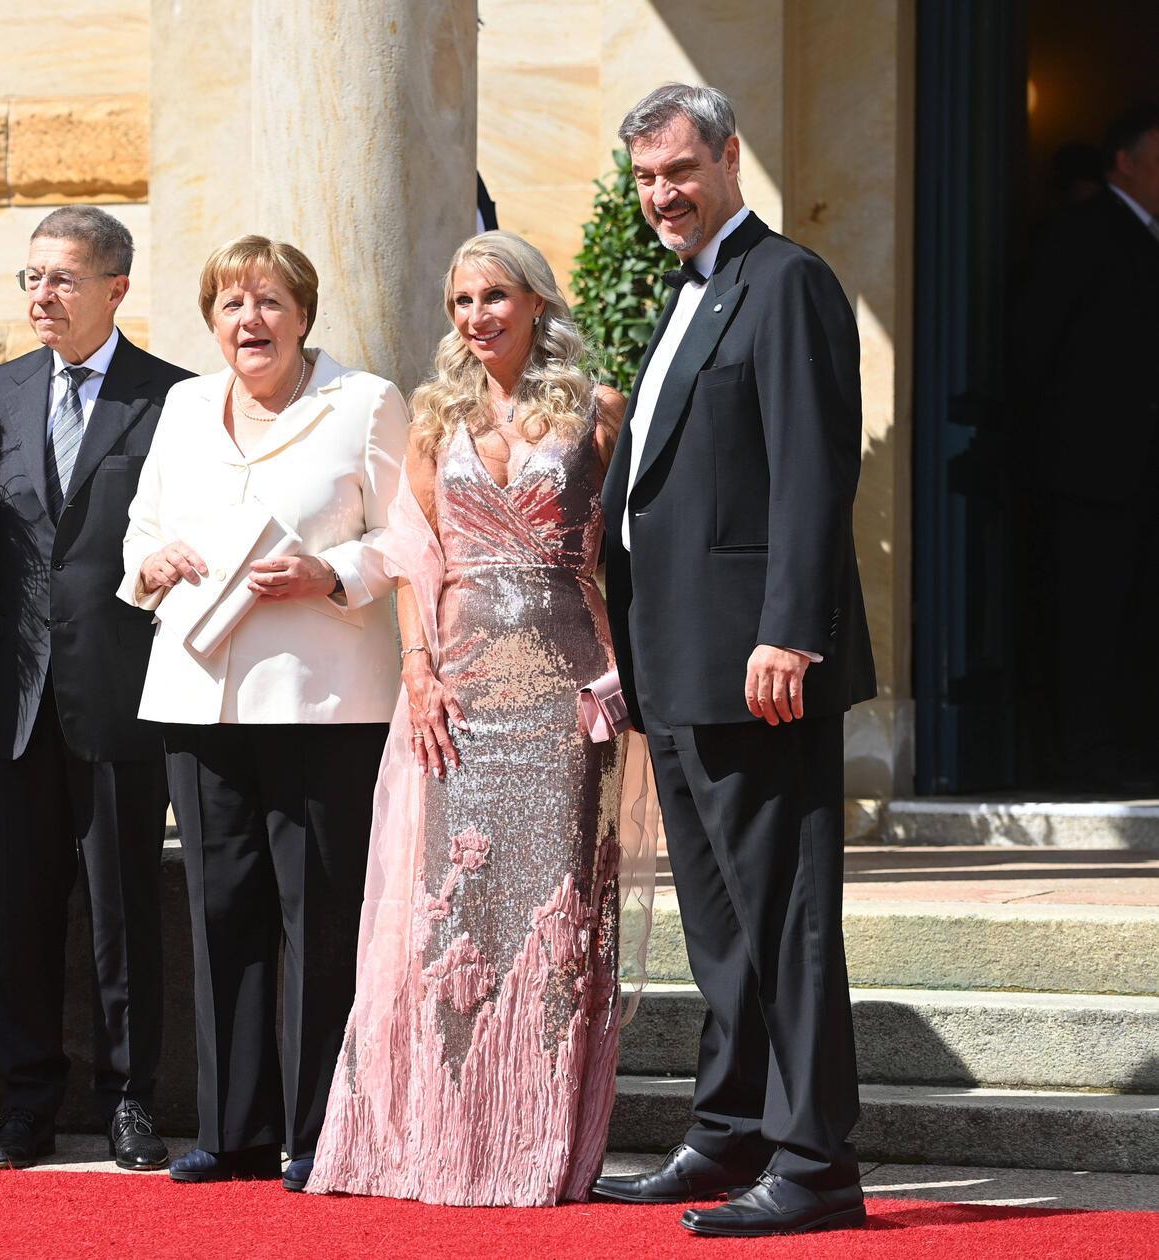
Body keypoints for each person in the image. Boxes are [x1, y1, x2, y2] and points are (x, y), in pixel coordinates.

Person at [306, 231, 654, 1207]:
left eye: (495, 295)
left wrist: (625, 671)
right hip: (457, 691)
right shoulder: (433, 419)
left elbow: (630, 561)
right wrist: (416, 667)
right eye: (462, 301)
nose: (476, 316)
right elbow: (421, 564)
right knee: (451, 914)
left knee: (556, 924)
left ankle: (537, 1142)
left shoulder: (600, 411)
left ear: (536, 302)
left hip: (564, 695)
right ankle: (447, 1137)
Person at [588, 84, 876, 1237]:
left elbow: (814, 469)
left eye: (679, 171)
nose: (662, 195)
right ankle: (730, 1129)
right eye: (647, 177)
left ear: (730, 159)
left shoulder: (786, 282)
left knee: (788, 919)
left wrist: (791, 628)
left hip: (760, 664)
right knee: (721, 925)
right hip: (679, 662)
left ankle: (814, 1164)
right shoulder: (687, 293)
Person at [120, 235, 407, 1192]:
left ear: (304, 316)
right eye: (233, 304)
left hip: (325, 704)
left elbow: (408, 536)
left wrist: (334, 571)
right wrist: (148, 568)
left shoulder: (361, 401)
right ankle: (234, 1129)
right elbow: (146, 525)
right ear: (212, 320)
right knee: (221, 912)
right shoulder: (187, 405)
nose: (252, 321)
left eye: (272, 303)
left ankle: (320, 1131)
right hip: (200, 696)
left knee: (318, 915)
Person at [0, 208, 192, 1172]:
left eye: (61, 278)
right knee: (22, 909)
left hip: (126, 691)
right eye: (30, 278)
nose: (41, 296)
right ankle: (26, 1105)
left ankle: (130, 1099)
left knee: (124, 906)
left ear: (116, 289)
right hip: (20, 698)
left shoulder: (174, 399)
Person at [1022, 104, 1159, 791]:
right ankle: (1086, 760)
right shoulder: (1078, 234)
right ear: (1124, 162)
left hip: (1140, 478)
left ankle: (1132, 752)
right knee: (1087, 621)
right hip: (1089, 474)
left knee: (1135, 621)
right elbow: (1036, 351)